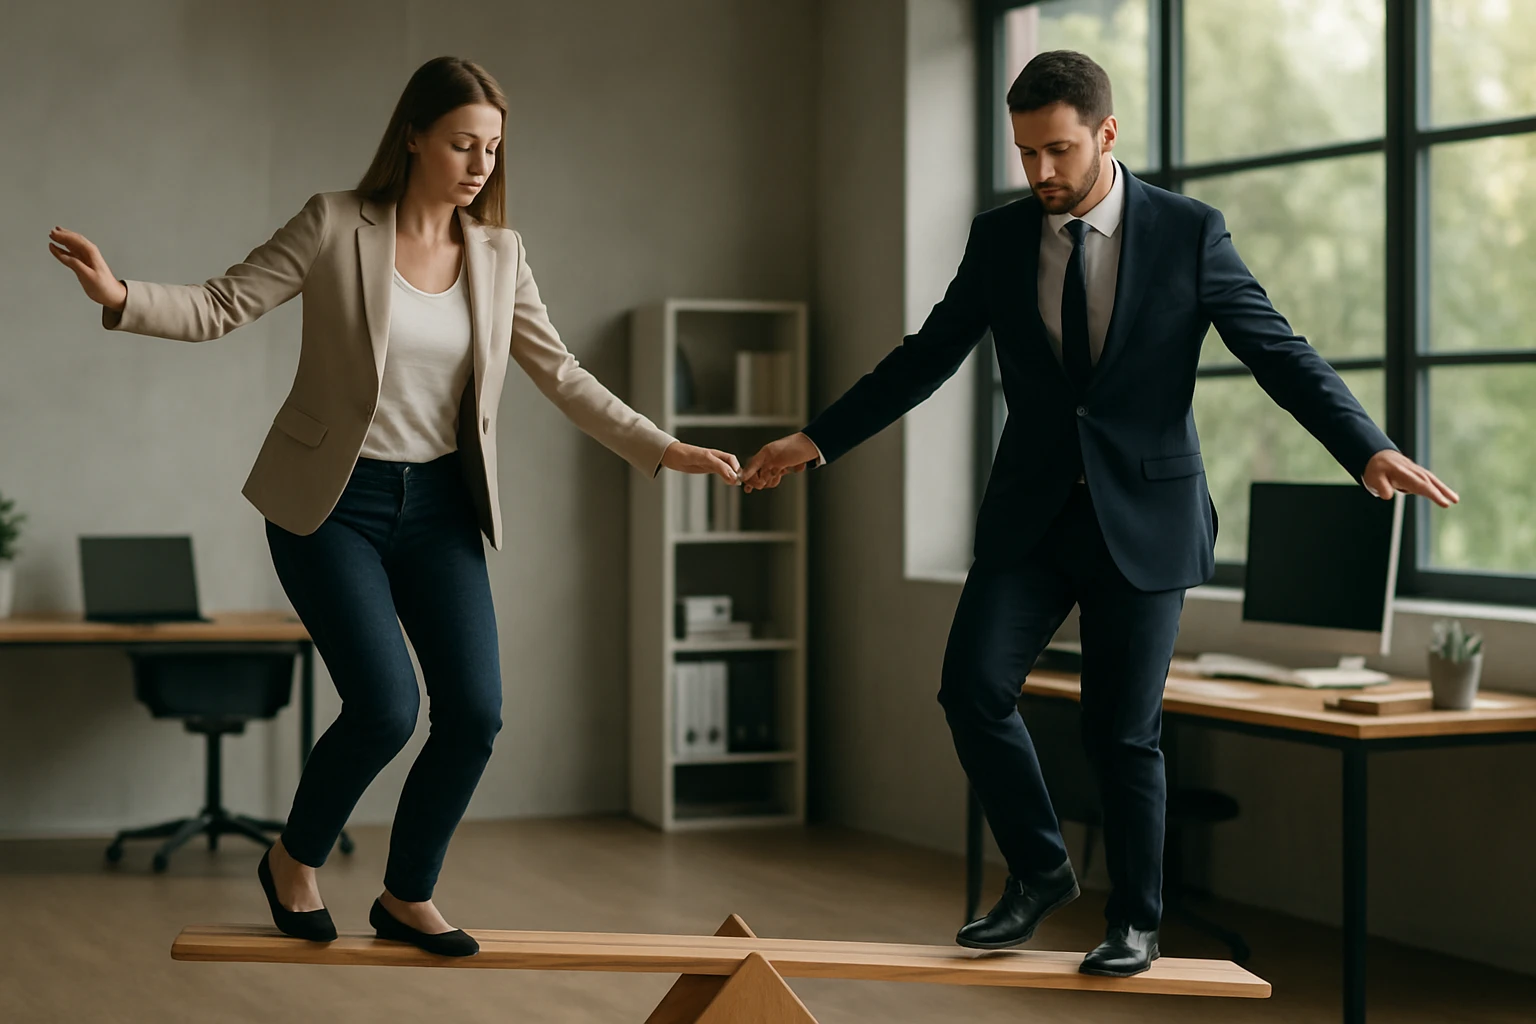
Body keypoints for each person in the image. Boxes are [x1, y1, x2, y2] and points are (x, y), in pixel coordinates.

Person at [738, 50, 1457, 977]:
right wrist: (818, 438)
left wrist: (1366, 444)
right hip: (1031, 517)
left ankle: (1138, 922)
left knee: (1122, 730)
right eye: (1026, 153)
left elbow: (1279, 351)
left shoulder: (1189, 232)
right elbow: (927, 355)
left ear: (1107, 134)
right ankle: (1040, 871)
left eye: (1060, 151)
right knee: (971, 689)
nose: (1040, 173)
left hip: (1145, 519)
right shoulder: (999, 239)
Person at [48, 56, 739, 957]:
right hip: (333, 504)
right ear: (413, 135)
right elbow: (222, 303)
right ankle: (290, 860)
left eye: (492, 147)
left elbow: (561, 374)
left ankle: (407, 893)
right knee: (384, 705)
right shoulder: (336, 225)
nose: (481, 163)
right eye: (463, 143)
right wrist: (121, 295)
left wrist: (662, 445)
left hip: (441, 508)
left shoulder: (499, 256)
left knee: (477, 711)